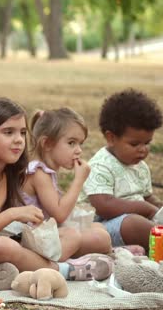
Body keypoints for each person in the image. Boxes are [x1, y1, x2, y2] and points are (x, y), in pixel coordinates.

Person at [0, 98, 112, 288]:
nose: (18, 139)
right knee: (4, 246)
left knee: (68, 234)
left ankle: (6, 269)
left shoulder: (10, 174)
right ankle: (64, 271)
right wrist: (12, 215)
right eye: (8, 132)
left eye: (23, 133)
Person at [20, 108, 113, 278]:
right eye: (71, 143)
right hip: (30, 238)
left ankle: (70, 259)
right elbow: (59, 214)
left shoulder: (46, 172)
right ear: (47, 143)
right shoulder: (39, 173)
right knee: (95, 239)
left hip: (45, 232)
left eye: (80, 144)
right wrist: (78, 181)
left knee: (99, 228)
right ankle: (58, 268)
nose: (78, 150)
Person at [81, 89, 163, 253]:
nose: (142, 150)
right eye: (134, 144)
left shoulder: (140, 166)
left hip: (135, 223)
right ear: (111, 138)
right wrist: (144, 208)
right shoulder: (100, 166)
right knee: (133, 224)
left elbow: (148, 198)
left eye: (147, 143)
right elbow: (104, 206)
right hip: (100, 229)